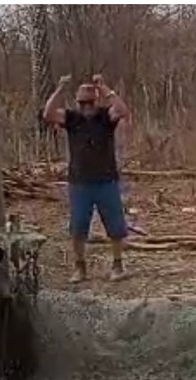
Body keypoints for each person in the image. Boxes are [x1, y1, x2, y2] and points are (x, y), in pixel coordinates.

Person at [43, 73, 132, 283]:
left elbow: (123, 111)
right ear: (78, 101)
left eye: (90, 97)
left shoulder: (105, 117)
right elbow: (48, 114)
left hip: (106, 180)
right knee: (78, 227)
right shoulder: (72, 118)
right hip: (80, 182)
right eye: (83, 99)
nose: (87, 104)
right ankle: (80, 267)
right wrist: (60, 89)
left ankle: (118, 265)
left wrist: (105, 88)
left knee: (115, 226)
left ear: (95, 99)